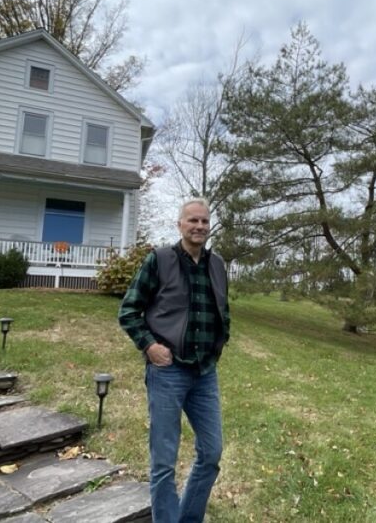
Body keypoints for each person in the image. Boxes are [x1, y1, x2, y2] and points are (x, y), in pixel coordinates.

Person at [118, 198, 230, 523]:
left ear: (210, 226)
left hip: (204, 373)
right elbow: (128, 310)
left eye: (204, 221)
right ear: (179, 224)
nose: (199, 226)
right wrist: (149, 346)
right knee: (164, 462)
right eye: (192, 220)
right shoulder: (160, 260)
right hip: (168, 372)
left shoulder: (217, 265)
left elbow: (223, 312)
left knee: (211, 452)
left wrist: (220, 345)